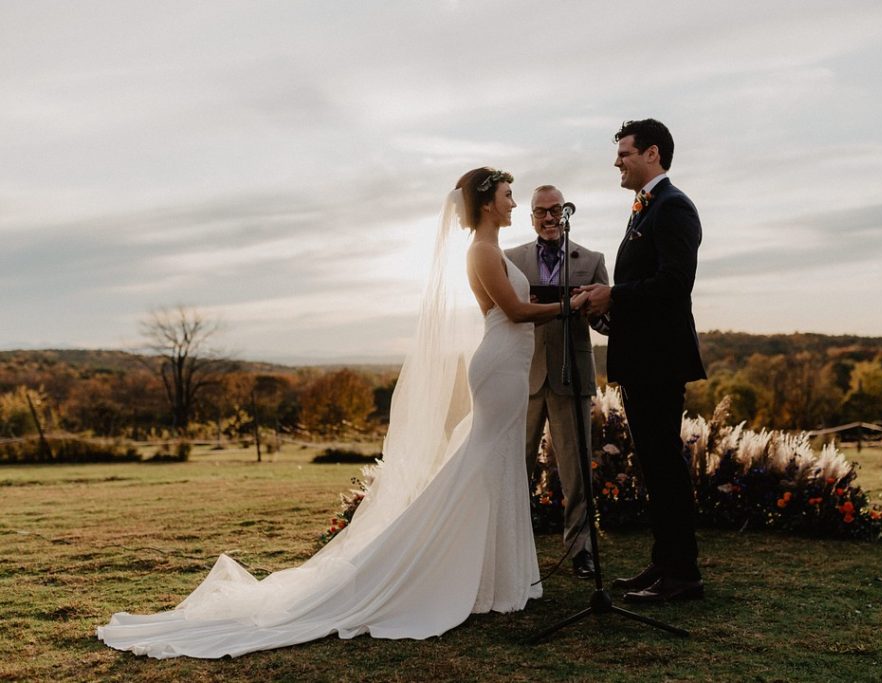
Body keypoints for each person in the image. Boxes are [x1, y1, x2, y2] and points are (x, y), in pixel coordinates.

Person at [97, 167, 589, 658]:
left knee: (495, 466)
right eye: (507, 196)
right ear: (486, 203)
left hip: (508, 365)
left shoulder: (492, 250)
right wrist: (573, 304)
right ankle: (455, 573)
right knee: (484, 464)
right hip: (501, 366)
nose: (512, 204)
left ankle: (499, 581)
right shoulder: (481, 252)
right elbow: (516, 312)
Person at [580, 119, 707, 603]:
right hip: (639, 359)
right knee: (654, 465)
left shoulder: (673, 207)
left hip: (660, 361)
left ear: (652, 153)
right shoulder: (644, 209)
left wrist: (613, 294)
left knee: (665, 466)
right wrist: (607, 306)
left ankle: (683, 576)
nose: (617, 161)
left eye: (624, 153)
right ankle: (664, 562)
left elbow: (675, 284)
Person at [504, 184, 608, 579]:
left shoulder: (592, 259)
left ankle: (579, 549)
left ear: (565, 213)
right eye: (540, 212)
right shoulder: (510, 260)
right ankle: (513, 547)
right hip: (523, 377)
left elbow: (605, 322)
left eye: (555, 210)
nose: (548, 218)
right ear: (531, 217)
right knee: (515, 466)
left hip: (572, 376)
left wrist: (594, 308)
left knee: (576, 470)